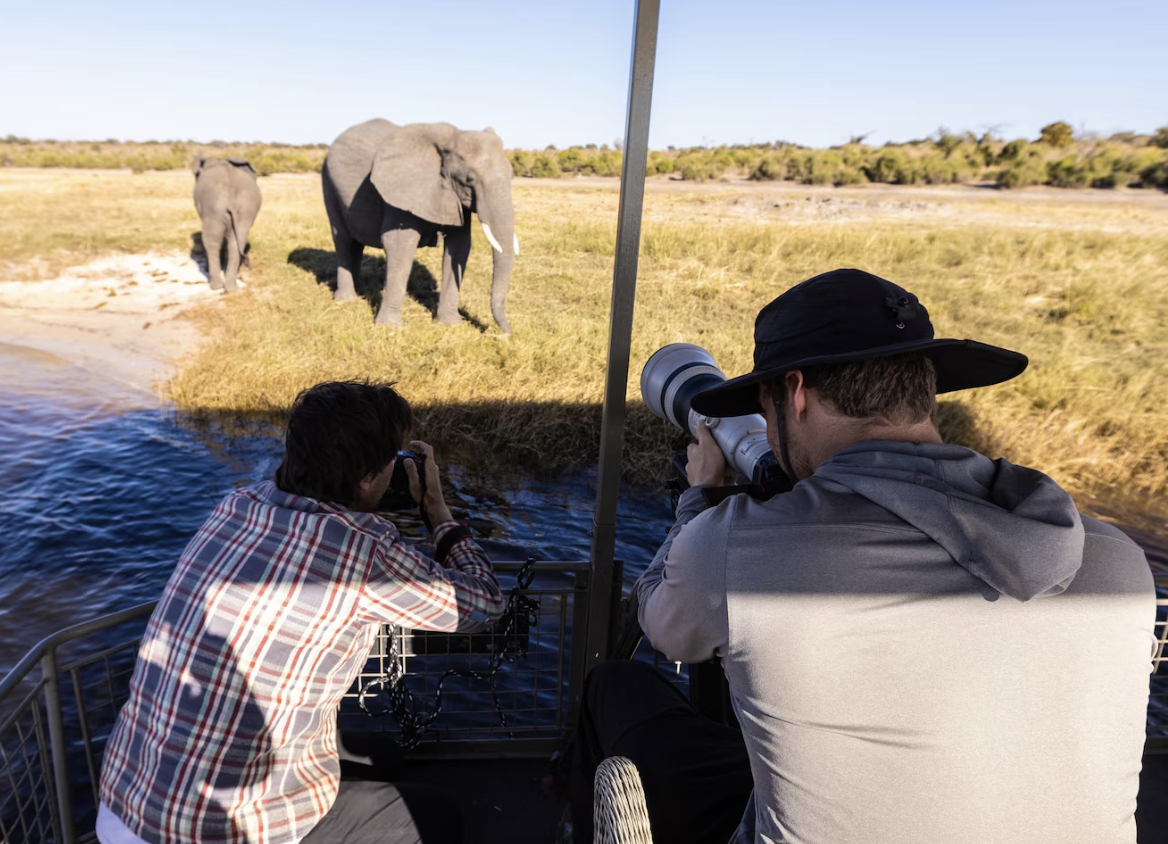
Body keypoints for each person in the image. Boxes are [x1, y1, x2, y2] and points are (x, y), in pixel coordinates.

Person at [568, 269, 1156, 844]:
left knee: (615, 686)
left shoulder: (733, 546)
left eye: (764, 407)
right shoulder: (1118, 561)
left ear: (794, 394)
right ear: (923, 389)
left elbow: (665, 628)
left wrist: (700, 501)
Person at [96, 381, 505, 844]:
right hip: (217, 834)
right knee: (438, 817)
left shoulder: (234, 507)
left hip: (122, 804)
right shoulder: (363, 550)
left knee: (383, 753)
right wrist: (436, 509)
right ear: (369, 477)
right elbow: (484, 603)